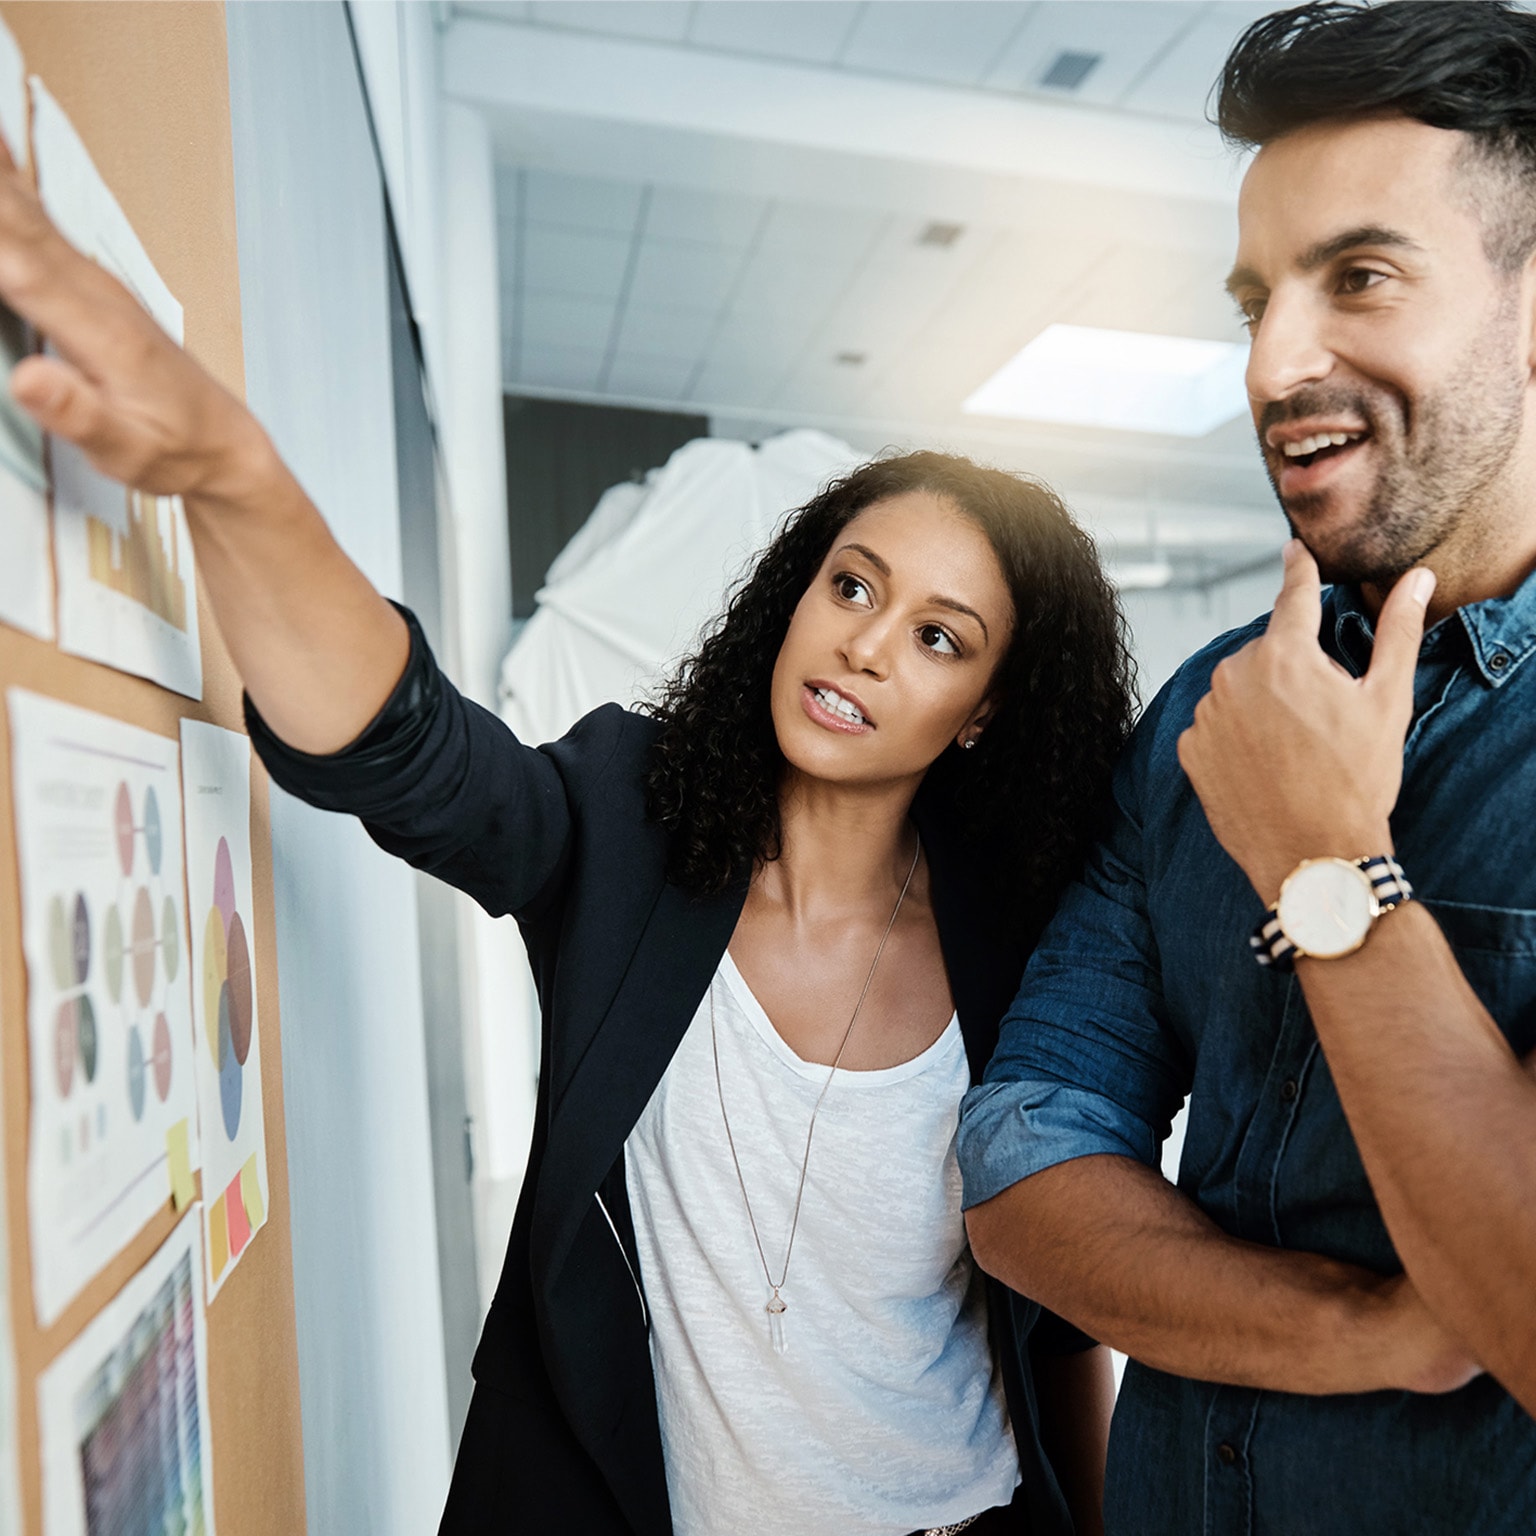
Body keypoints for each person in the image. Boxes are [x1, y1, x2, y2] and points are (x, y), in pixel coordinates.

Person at [0, 128, 1138, 1532]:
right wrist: (231, 471)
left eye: (938, 637)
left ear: (981, 710)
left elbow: (1061, 1314)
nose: (864, 649)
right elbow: (411, 752)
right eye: (852, 587)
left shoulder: (1021, 934)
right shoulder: (629, 817)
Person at [960, 1, 1536, 1530]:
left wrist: (1323, 865)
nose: (1275, 362)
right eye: (1256, 298)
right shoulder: (1215, 709)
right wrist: (1377, 1332)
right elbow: (1023, 1163)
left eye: (1359, 276)